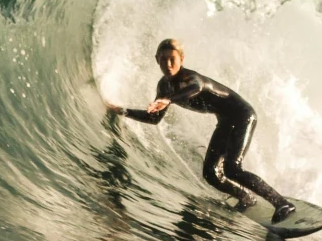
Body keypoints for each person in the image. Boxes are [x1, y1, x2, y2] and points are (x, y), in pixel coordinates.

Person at [107, 38, 294, 222]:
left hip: (243, 115)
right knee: (211, 173)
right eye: (163, 59)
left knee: (232, 168)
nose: (168, 64)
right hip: (226, 121)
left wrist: (168, 100)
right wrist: (123, 111)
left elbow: (196, 87)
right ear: (157, 59)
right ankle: (246, 198)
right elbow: (153, 118)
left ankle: (282, 204)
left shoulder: (191, 78)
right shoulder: (164, 86)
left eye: (173, 58)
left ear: (182, 59)